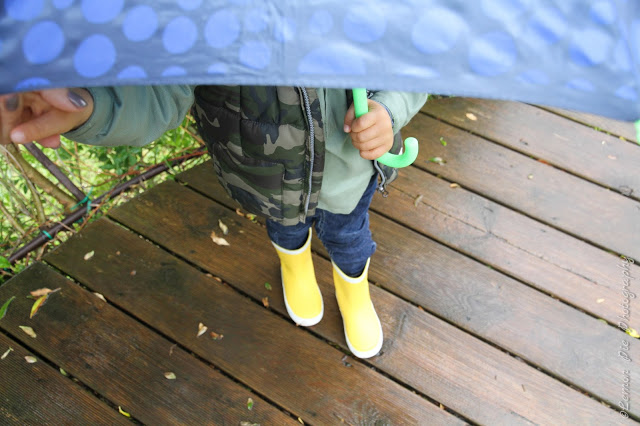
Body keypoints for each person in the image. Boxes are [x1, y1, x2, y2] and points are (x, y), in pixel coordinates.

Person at [0, 86, 427, 358]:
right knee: (285, 228)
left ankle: (353, 292)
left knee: (349, 237)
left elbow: (412, 44)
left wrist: (389, 107)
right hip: (271, 175)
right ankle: (294, 266)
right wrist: (93, 106)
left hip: (348, 172)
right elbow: (158, 91)